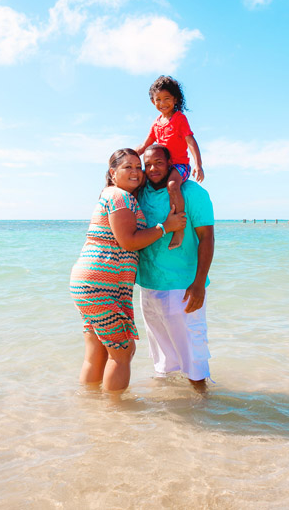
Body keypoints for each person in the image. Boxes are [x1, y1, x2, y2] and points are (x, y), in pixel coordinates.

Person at [69, 148, 186, 393]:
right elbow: (128, 241)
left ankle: (90, 406)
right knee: (123, 351)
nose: (136, 172)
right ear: (113, 173)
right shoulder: (119, 196)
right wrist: (166, 227)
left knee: (98, 351)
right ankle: (115, 413)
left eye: (137, 167)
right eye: (127, 167)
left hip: (91, 284)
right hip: (101, 285)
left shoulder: (113, 194)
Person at [136, 144, 215, 390]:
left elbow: (207, 238)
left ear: (171, 163)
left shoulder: (191, 192)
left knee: (193, 357)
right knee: (162, 360)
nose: (152, 169)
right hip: (148, 287)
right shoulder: (141, 193)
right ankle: (170, 415)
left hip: (183, 287)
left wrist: (199, 283)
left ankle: (204, 410)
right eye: (147, 164)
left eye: (158, 162)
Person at [137, 75, 204, 251]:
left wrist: (198, 165)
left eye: (167, 98)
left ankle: (179, 228)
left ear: (175, 99)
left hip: (179, 165)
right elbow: (145, 145)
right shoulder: (156, 123)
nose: (163, 103)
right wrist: (125, 157)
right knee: (139, 180)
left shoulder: (180, 119)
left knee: (173, 185)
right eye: (158, 99)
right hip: (160, 166)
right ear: (153, 102)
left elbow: (190, 141)